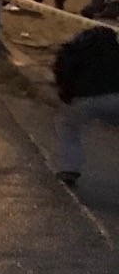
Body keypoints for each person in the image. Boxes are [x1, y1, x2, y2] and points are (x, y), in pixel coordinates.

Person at [54, 25, 119, 184]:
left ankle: (70, 167)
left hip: (85, 97)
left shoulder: (76, 49)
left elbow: (63, 68)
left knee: (67, 124)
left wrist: (66, 95)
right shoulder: (115, 49)